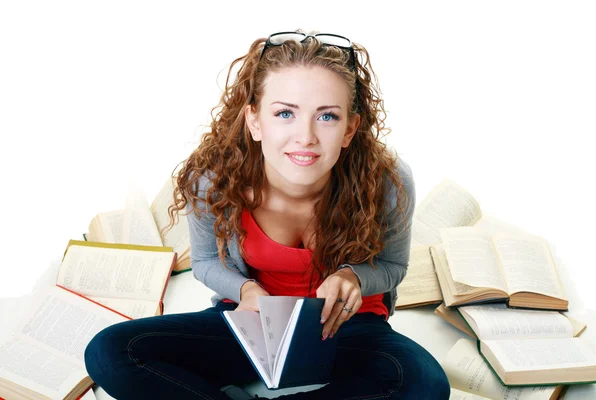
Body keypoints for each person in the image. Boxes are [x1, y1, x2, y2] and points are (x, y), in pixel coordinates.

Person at [84, 30, 450, 399]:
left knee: (424, 384)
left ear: (349, 129)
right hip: (252, 325)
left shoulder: (388, 179)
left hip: (347, 328)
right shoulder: (212, 177)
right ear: (255, 121)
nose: (305, 136)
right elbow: (207, 261)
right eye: (285, 113)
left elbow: (391, 265)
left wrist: (353, 277)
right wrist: (246, 290)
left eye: (326, 116)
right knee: (111, 352)